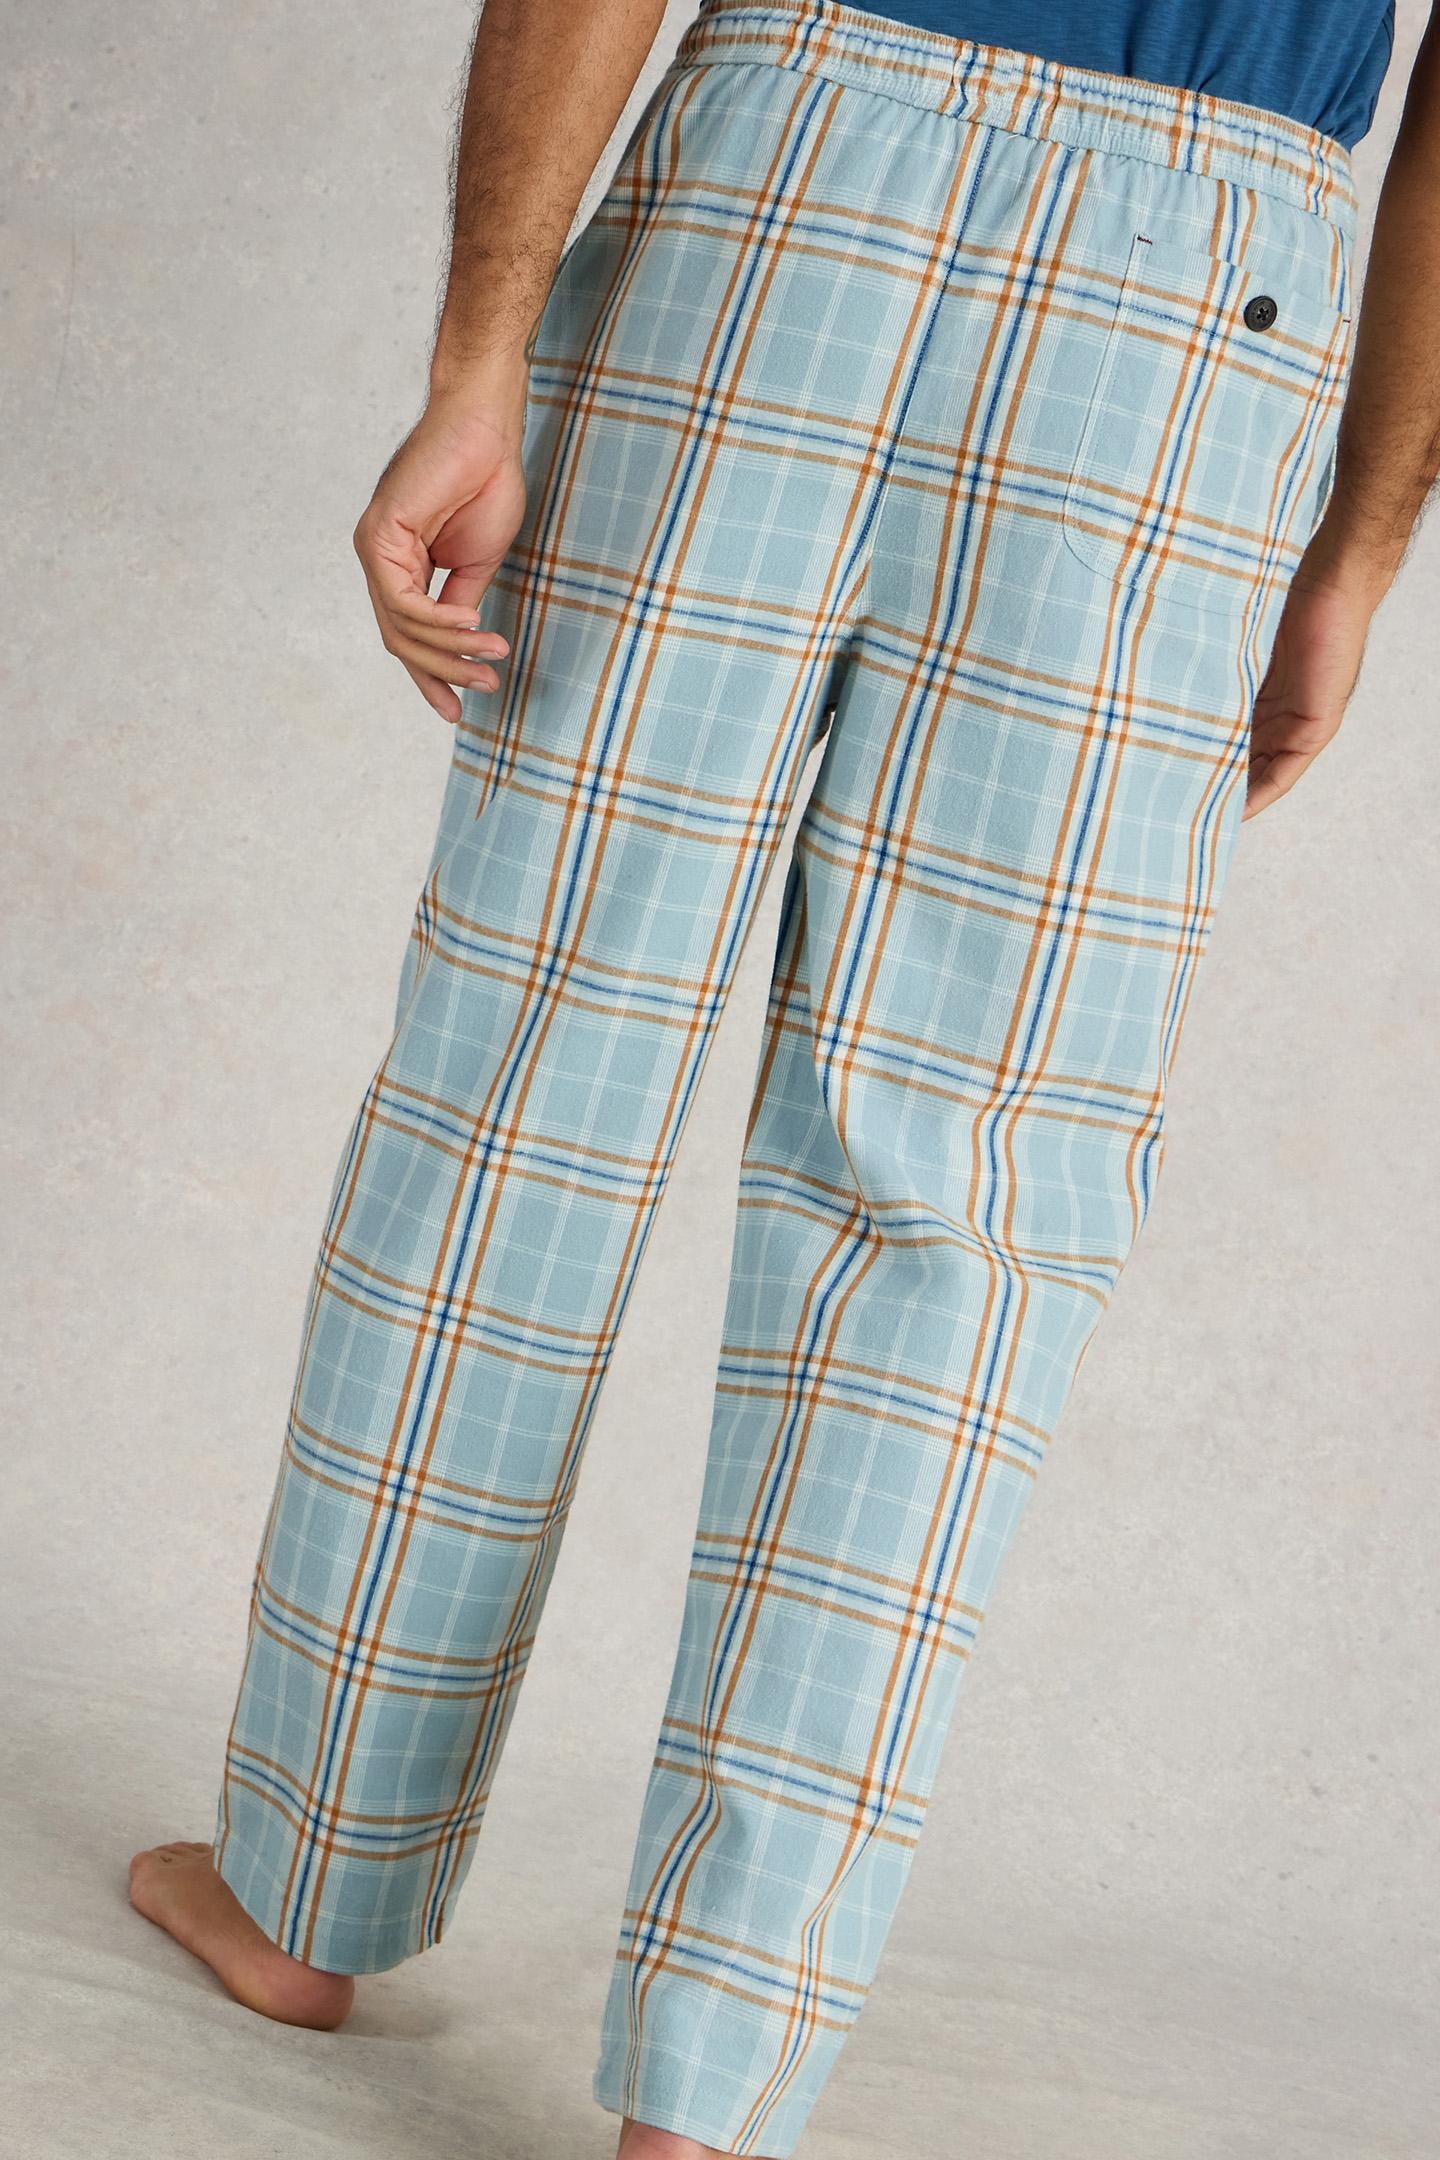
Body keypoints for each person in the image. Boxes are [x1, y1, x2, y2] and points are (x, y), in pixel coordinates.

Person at [128, 2, 1437, 2154]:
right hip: (1208, 300)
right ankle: (706, 2098)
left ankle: (304, 1891)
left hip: (796, 165)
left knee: (525, 1075)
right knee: (957, 1214)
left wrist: (478, 354)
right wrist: (1361, 545)